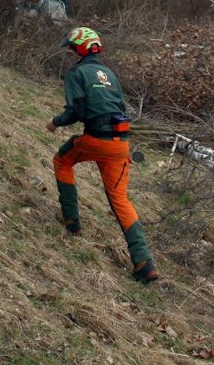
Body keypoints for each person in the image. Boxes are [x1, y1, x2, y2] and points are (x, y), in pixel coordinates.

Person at [45, 27, 159, 284]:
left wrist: (54, 122)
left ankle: (71, 220)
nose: (71, 51)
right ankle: (144, 263)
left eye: (72, 48)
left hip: (95, 139)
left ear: (80, 49)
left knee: (62, 160)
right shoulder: (110, 74)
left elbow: (76, 111)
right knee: (119, 199)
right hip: (121, 144)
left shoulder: (76, 73)